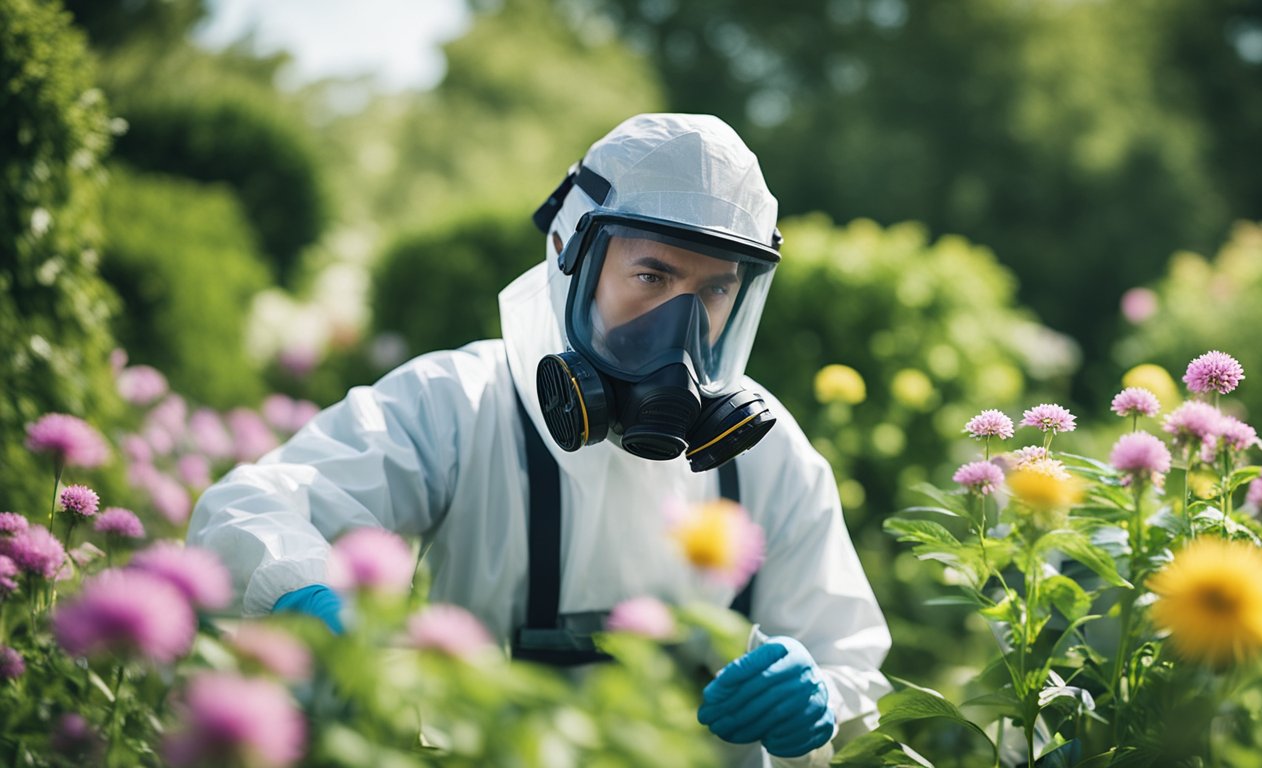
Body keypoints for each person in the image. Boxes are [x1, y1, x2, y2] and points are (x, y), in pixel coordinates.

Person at [188, 113, 891, 766]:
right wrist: (310, 596)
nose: (678, 326)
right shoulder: (456, 403)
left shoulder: (768, 450)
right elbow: (248, 509)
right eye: (651, 275)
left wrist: (824, 694)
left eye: (712, 291)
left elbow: (851, 659)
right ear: (566, 255)